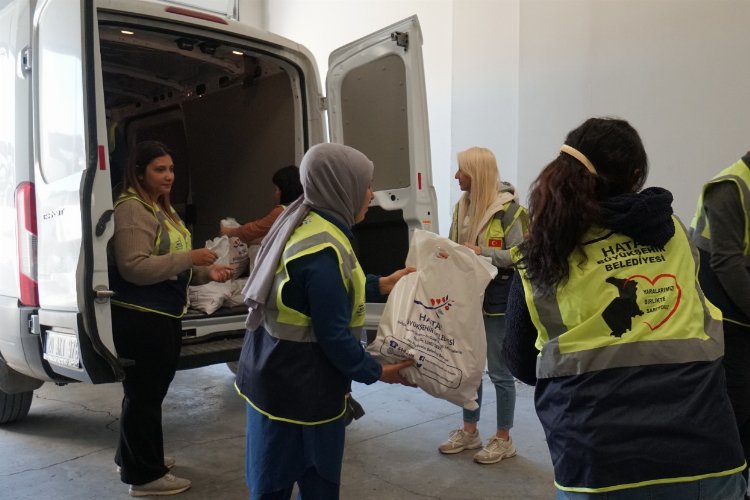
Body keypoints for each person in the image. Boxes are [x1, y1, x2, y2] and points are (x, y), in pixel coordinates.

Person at [503, 117, 747, 499]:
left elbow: (519, 363)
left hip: (595, 463)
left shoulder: (539, 255)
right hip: (705, 452)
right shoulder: (676, 234)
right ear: (635, 176)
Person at [235, 143, 416, 499]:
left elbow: (316, 294)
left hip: (269, 377)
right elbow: (333, 334)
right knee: (312, 484)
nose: (370, 194)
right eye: (366, 184)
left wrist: (379, 284)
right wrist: (377, 371)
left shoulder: (305, 222)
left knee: (268, 482)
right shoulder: (323, 247)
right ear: (341, 185)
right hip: (303, 392)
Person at [109, 140, 234, 497]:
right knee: (144, 394)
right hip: (141, 317)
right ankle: (145, 477)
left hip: (163, 312)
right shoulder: (133, 210)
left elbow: (171, 264)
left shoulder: (161, 209)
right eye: (159, 170)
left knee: (146, 393)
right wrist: (191, 258)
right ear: (138, 173)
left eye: (171, 169)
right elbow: (134, 267)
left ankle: (131, 457)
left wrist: (207, 273)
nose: (168, 176)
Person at [438, 147, 528, 465]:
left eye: (461, 170)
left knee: (500, 373)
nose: (456, 176)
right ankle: (469, 431)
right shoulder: (460, 208)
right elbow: (452, 247)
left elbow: (522, 255)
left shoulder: (511, 212)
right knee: (470, 371)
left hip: (498, 302)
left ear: (476, 174)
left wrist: (481, 254)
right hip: (467, 300)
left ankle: (504, 438)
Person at [691, 151, 750, 499]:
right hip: (728, 322)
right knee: (734, 414)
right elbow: (728, 264)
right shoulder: (730, 187)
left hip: (744, 316)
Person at [220, 165, 303, 244]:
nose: (275, 195)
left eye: (276, 190)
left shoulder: (283, 211)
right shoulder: (304, 207)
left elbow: (255, 229)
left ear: (286, 191)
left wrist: (229, 232)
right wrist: (251, 242)